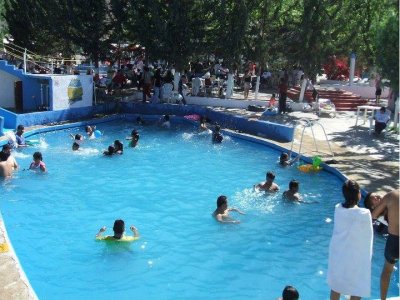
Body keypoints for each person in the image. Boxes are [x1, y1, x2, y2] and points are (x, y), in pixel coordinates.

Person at [327, 180, 373, 300]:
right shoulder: (364, 213)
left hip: (338, 252)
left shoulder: (338, 208)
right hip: (356, 255)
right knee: (357, 286)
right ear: (359, 194)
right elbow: (367, 237)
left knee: (336, 285)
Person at [371, 190, 399, 300]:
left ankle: (383, 299)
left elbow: (373, 215)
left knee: (387, 271)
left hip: (394, 240)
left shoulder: (392, 195)